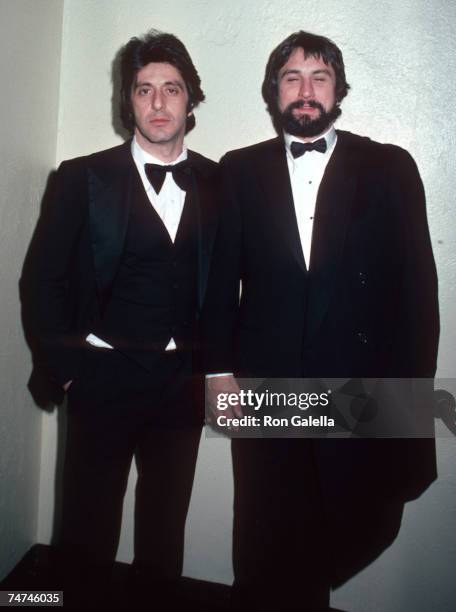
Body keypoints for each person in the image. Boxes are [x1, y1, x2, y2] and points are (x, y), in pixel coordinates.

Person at [203, 31, 439, 610]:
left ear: (338, 91)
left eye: (319, 77)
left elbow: (418, 297)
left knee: (345, 528)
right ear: (274, 92)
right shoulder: (237, 170)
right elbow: (216, 283)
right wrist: (217, 375)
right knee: (263, 544)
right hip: (266, 388)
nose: (305, 91)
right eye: (292, 78)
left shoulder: (390, 167)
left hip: (357, 388)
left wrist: (408, 402)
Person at [26, 29, 218, 605]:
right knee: (85, 533)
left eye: (172, 89)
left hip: (180, 382)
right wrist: (65, 368)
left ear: (191, 100)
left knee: (165, 534)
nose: (158, 103)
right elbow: (41, 280)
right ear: (127, 100)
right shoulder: (81, 177)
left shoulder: (219, 181)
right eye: (144, 90)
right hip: (100, 377)